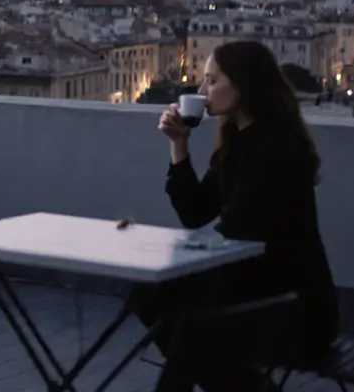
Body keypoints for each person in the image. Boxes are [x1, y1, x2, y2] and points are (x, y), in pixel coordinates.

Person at [140, 39, 339, 391]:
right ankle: (243, 385)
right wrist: (179, 145)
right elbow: (196, 212)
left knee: (177, 318)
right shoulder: (240, 141)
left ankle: (241, 385)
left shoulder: (275, 147)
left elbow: (237, 230)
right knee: (158, 300)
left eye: (212, 81)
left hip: (292, 309)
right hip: (262, 291)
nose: (202, 91)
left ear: (244, 85)